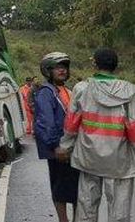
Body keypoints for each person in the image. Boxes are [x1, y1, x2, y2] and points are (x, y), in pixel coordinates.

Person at [56, 48, 135, 222]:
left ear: (95, 64)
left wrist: (64, 147)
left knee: (86, 207)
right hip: (119, 162)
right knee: (119, 212)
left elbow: (71, 124)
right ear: (116, 66)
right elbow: (133, 128)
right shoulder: (130, 92)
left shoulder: (82, 89)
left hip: (89, 159)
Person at [34, 52, 80, 222]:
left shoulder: (68, 91)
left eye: (64, 67)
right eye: (57, 67)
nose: (62, 70)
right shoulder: (46, 92)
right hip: (59, 149)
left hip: (73, 148)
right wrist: (55, 146)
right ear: (48, 70)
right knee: (60, 187)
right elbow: (45, 122)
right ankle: (63, 220)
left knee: (77, 189)